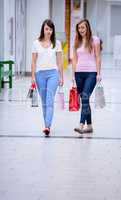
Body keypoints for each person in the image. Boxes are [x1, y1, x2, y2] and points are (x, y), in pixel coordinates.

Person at [31, 19, 63, 136]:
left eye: (50, 29)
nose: (48, 31)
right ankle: (46, 125)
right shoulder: (36, 43)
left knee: (49, 100)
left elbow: (60, 61)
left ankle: (47, 126)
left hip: (53, 74)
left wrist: (61, 77)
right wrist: (32, 77)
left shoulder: (57, 43)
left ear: (53, 30)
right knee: (44, 101)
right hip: (40, 75)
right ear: (43, 30)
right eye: (46, 29)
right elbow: (33, 62)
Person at [72, 19, 101, 134]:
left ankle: (81, 124)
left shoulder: (95, 40)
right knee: (85, 100)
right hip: (79, 73)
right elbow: (74, 59)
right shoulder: (76, 41)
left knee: (84, 97)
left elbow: (98, 57)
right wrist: (73, 75)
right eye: (79, 28)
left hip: (91, 73)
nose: (81, 30)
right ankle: (89, 126)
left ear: (87, 28)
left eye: (83, 27)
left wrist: (98, 73)